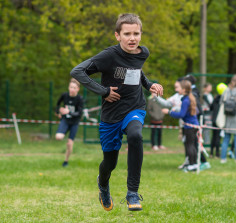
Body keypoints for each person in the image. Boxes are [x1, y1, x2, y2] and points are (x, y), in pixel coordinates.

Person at [70, 13, 163, 212]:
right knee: (109, 163)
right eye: (127, 33)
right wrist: (103, 91)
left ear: (141, 34)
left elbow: (136, 72)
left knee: (136, 135)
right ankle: (103, 184)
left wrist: (149, 84)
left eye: (136, 33)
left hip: (134, 107)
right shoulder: (108, 56)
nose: (132, 38)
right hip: (111, 116)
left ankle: (132, 193)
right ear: (117, 35)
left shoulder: (142, 53)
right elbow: (77, 71)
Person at [162, 80, 200, 171]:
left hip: (190, 126)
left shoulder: (186, 100)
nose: (177, 90)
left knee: (189, 145)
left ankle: (192, 164)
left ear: (184, 89)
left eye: (179, 87)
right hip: (193, 125)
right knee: (191, 145)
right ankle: (193, 164)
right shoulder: (188, 98)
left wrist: (169, 112)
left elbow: (181, 115)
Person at [55, 78, 84, 167]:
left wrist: (69, 112)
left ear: (77, 89)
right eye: (71, 87)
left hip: (74, 123)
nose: (72, 89)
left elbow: (79, 113)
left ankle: (66, 161)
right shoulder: (64, 95)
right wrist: (59, 111)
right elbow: (57, 105)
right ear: (68, 87)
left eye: (74, 88)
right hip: (65, 121)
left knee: (69, 143)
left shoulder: (80, 98)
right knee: (58, 137)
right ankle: (63, 133)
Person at [220, 75, 236, 163]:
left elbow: (221, 102)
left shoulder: (227, 90)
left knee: (226, 139)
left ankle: (223, 158)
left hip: (228, 117)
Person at [210, 83, 227, 158]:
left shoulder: (215, 98)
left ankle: (211, 153)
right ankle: (217, 153)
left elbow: (211, 107)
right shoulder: (224, 99)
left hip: (214, 120)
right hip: (220, 120)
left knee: (213, 136)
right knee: (218, 137)